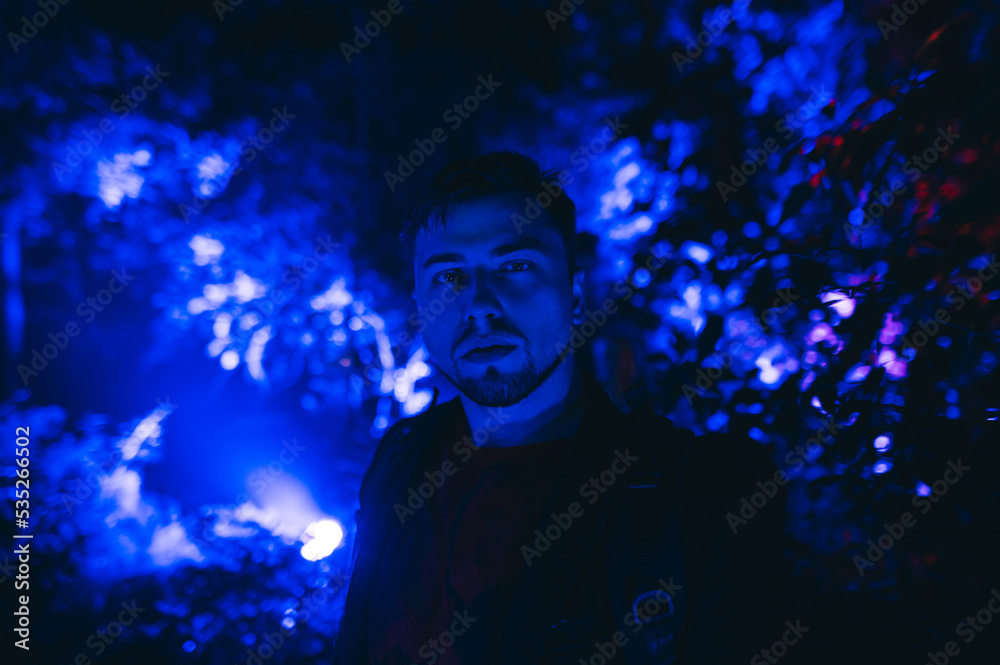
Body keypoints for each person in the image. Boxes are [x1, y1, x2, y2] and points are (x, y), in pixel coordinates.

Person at [333, 152, 798, 665]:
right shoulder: (399, 462)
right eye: (448, 277)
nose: (481, 304)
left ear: (575, 296)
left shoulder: (695, 496)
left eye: (515, 266)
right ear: (421, 305)